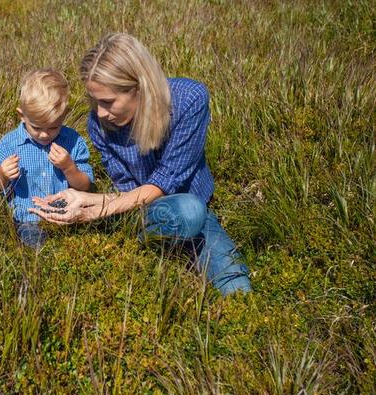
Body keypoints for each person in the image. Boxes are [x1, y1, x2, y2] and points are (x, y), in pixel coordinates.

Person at [30, 34, 251, 295]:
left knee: (237, 288)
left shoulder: (190, 101)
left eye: (108, 102)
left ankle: (167, 243)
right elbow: (127, 190)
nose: (99, 112)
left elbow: (167, 179)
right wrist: (83, 198)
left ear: (139, 88)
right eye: (95, 101)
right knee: (190, 213)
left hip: (188, 204)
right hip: (141, 211)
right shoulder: (100, 124)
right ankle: (159, 241)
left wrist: (94, 211)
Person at [0, 68, 94, 249]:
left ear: (64, 115)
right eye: (37, 127)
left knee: (87, 239)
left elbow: (86, 187)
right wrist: (2, 175)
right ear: (22, 115)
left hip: (68, 216)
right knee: (37, 244)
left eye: (53, 127)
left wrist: (69, 168)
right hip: (29, 219)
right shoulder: (9, 144)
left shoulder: (72, 141)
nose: (45, 135)